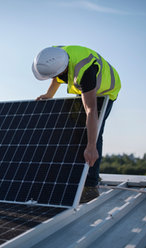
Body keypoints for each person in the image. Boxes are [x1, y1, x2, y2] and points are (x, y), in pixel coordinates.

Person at [32, 46, 121, 203]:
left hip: (104, 91)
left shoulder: (85, 71)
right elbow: (56, 75)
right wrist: (49, 94)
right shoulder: (55, 54)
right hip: (84, 88)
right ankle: (81, 172)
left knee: (92, 134)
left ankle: (91, 186)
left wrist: (91, 146)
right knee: (74, 128)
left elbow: (91, 110)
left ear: (63, 68)